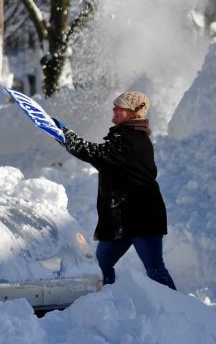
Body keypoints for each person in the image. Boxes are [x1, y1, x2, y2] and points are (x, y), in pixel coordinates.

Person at [53, 91, 176, 290]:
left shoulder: (130, 138)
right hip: (121, 219)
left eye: (120, 107)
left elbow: (97, 154)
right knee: (100, 267)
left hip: (142, 217)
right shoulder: (126, 137)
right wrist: (65, 137)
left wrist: (65, 135)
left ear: (134, 112)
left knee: (154, 269)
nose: (114, 110)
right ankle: (108, 306)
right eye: (115, 106)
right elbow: (105, 162)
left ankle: (177, 313)